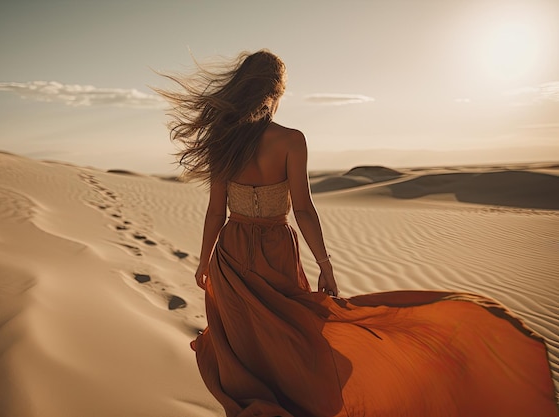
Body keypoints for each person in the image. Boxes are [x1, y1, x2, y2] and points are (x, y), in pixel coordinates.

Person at [157, 50, 557, 417]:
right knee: (293, 336)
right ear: (276, 91)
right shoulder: (291, 140)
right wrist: (325, 264)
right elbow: (304, 210)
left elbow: (214, 211)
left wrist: (203, 260)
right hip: (276, 249)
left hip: (231, 250)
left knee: (247, 344)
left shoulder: (223, 143)